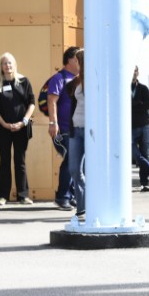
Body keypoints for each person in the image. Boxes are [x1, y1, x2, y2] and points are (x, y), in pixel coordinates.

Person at [0, 52, 35, 206]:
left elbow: (31, 103)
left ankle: (23, 195)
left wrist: (23, 121)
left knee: (20, 161)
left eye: (10, 63)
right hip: (3, 128)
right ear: (1, 67)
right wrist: (4, 124)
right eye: (4, 63)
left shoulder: (24, 81)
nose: (7, 66)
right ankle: (3, 196)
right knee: (4, 161)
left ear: (14, 65)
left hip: (21, 127)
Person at [46, 46, 79, 209]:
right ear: (70, 59)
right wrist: (53, 123)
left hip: (77, 128)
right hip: (63, 128)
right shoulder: (59, 78)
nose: (80, 61)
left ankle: (71, 194)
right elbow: (52, 100)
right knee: (70, 158)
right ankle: (62, 196)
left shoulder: (81, 78)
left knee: (76, 161)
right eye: (78, 57)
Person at [131, 66, 149, 192]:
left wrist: (134, 105)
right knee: (133, 153)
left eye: (135, 70)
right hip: (130, 126)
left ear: (138, 72)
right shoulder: (123, 87)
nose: (134, 73)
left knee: (145, 153)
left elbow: (147, 106)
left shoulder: (143, 88)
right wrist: (138, 104)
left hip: (143, 125)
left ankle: (145, 183)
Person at [64, 50, 85, 218]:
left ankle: (87, 207)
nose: (74, 64)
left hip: (91, 130)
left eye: (76, 60)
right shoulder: (76, 82)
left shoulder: (93, 79)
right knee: (74, 169)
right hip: (76, 129)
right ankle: (82, 208)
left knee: (90, 169)